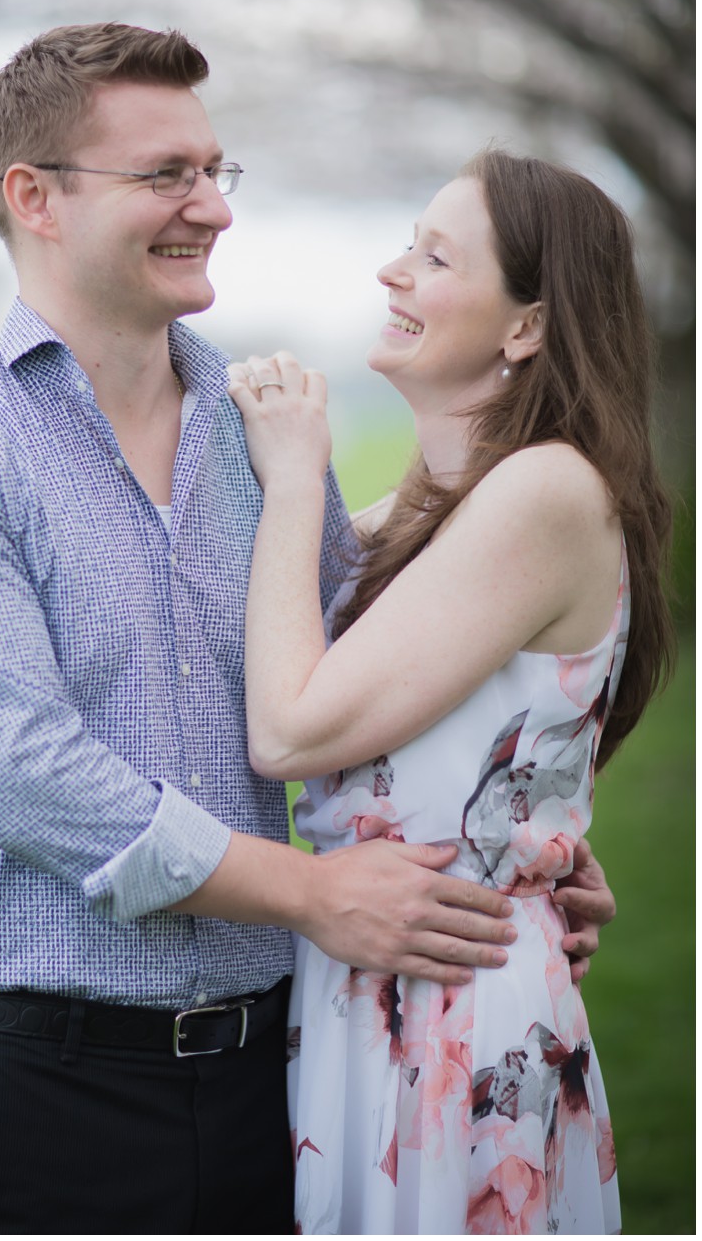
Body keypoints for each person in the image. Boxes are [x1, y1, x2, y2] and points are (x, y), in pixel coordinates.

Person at [0, 23, 617, 1234]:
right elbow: (30, 780)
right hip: (39, 1087)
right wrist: (312, 892)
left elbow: (391, 676)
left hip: (277, 1081)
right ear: (34, 197)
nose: (212, 208)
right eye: (165, 177)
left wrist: (514, 842)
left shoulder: (261, 439)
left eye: (215, 171)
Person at [228, 149, 669, 1233]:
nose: (393, 272)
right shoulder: (437, 504)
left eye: (433, 255)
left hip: (452, 1003)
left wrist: (293, 474)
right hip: (375, 977)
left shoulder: (547, 488)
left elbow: (290, 725)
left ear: (526, 326)